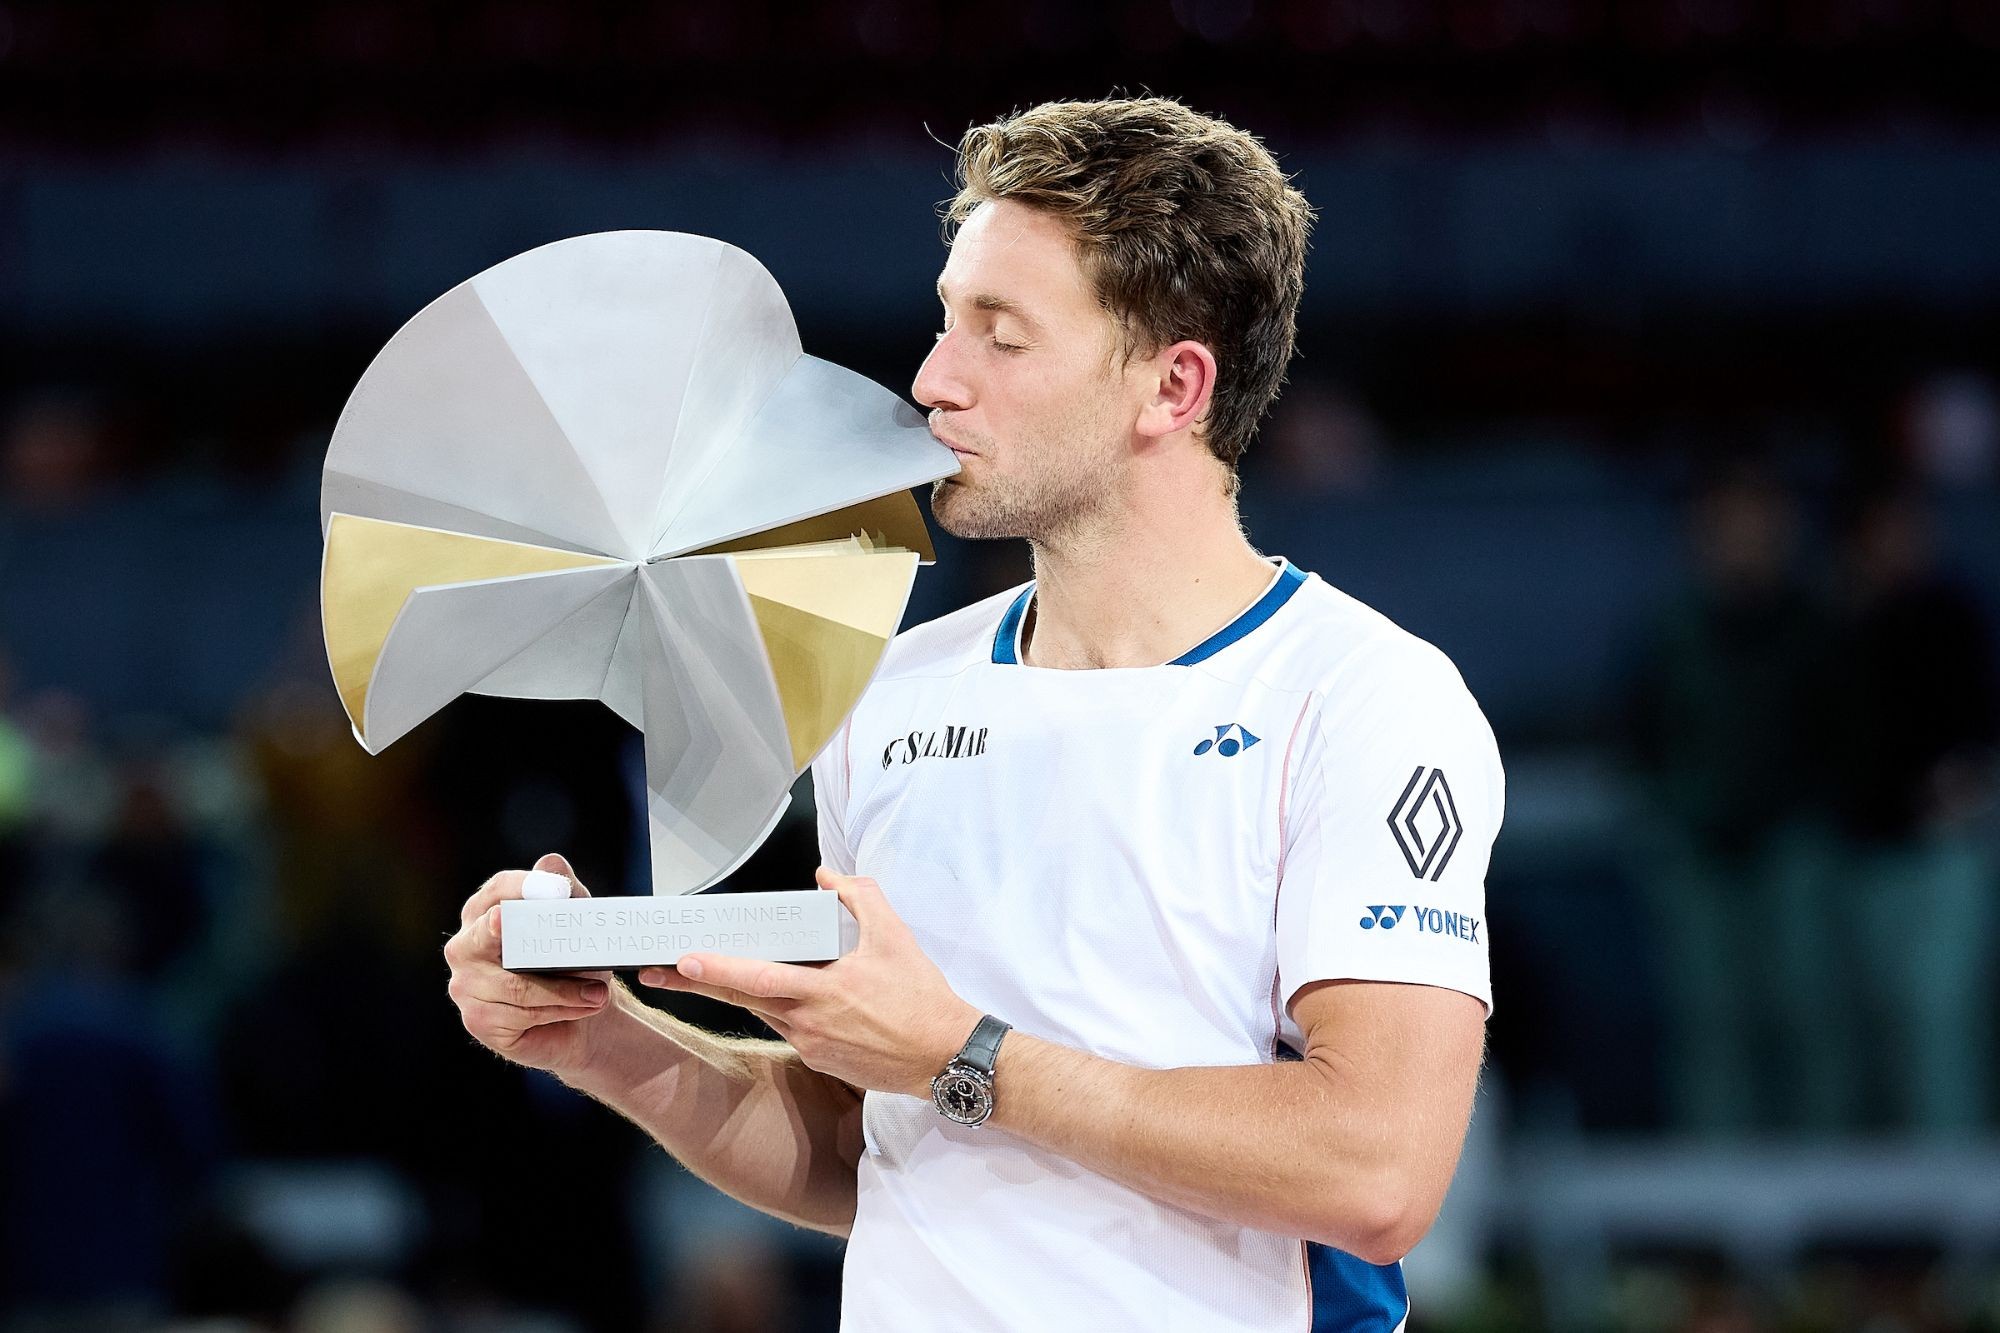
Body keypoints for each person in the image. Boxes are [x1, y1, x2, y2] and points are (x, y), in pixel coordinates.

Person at [444, 96, 1503, 1330]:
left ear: (1171, 386)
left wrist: (961, 1051)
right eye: (947, 320)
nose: (932, 382)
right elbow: (887, 1147)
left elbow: (1373, 1171)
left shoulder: (1360, 700)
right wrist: (607, 1044)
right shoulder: (892, 693)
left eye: (999, 336)